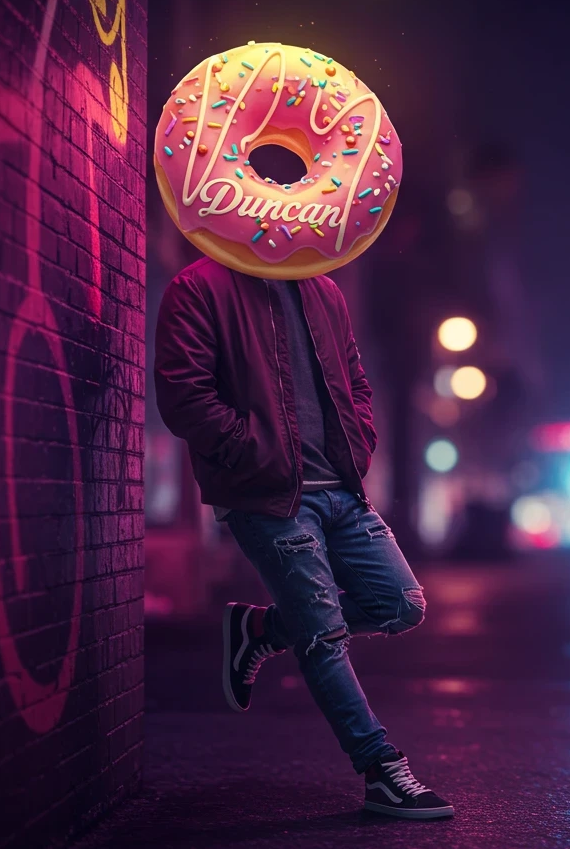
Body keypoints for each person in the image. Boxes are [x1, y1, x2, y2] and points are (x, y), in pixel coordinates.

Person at [154, 256, 453, 820]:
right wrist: (253, 455)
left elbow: (355, 381)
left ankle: (259, 629)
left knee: (399, 603)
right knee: (323, 637)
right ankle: (380, 769)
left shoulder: (323, 291)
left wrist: (358, 442)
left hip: (340, 488)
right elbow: (183, 394)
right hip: (269, 496)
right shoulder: (198, 285)